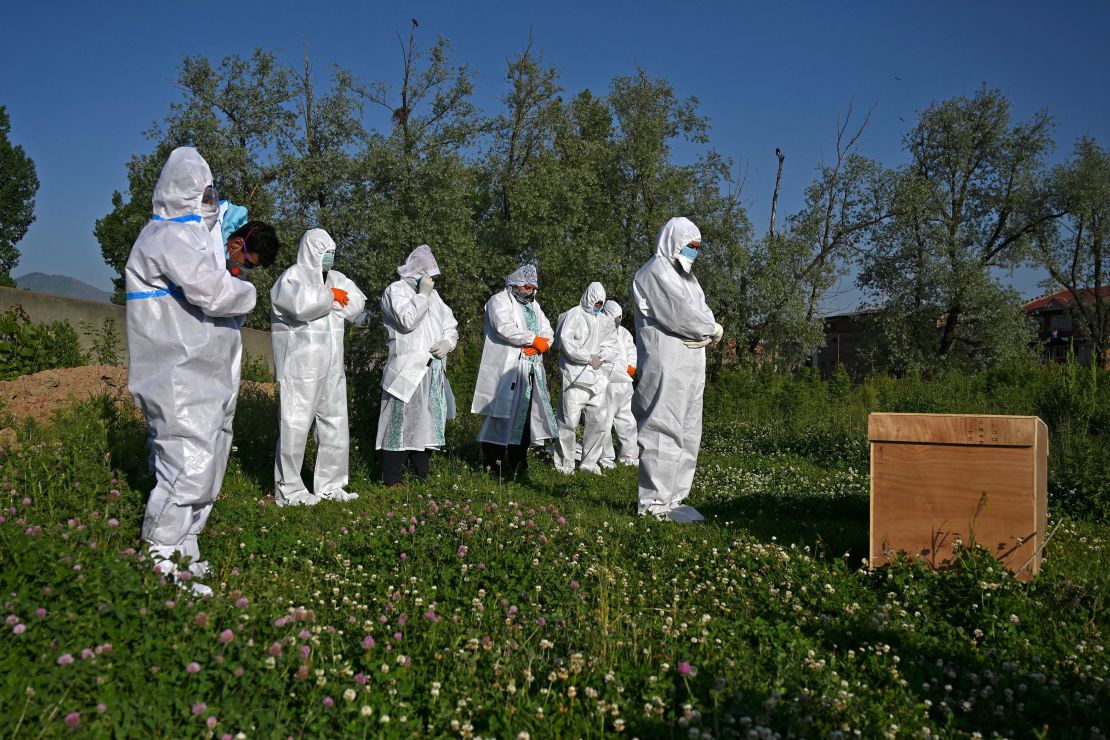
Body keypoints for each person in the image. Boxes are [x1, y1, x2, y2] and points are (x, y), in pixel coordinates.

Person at [126, 147, 263, 595]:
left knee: (210, 461)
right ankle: (159, 554)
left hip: (207, 374)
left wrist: (225, 261)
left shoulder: (195, 238)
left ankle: (187, 549)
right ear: (182, 190)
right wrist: (246, 292)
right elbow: (213, 293)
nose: (210, 200)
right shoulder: (166, 236)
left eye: (212, 192)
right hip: (177, 373)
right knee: (186, 464)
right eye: (203, 191)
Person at [631, 217, 723, 522]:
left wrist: (708, 326)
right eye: (689, 246)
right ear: (673, 242)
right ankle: (654, 503)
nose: (694, 252)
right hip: (666, 361)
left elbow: (702, 309)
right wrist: (709, 328)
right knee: (662, 428)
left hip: (691, 362)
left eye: (697, 247)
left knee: (687, 431)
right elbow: (681, 314)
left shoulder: (688, 279)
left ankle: (675, 499)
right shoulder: (654, 272)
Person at [271, 229, 366, 506]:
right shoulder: (292, 277)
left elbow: (357, 302)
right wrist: (330, 297)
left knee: (335, 425)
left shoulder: (336, 278)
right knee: (295, 425)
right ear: (311, 251)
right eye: (325, 252)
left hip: (334, 365)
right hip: (301, 368)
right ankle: (289, 491)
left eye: (333, 253)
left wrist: (330, 297)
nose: (329, 258)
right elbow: (300, 306)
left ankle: (331, 486)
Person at [375, 245, 459, 485]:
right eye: (427, 272)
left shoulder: (435, 296)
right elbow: (407, 321)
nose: (430, 278)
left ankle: (419, 478)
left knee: (427, 425)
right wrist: (421, 295)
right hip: (407, 369)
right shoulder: (396, 290)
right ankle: (393, 480)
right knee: (398, 424)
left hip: (432, 369)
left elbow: (450, 325)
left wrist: (447, 342)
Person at [472, 264, 557, 480]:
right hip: (507, 369)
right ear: (515, 284)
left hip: (530, 370)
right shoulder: (499, 301)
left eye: (533, 287)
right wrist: (531, 339)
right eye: (526, 286)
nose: (530, 291)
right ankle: (492, 466)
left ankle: (518, 463)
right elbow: (504, 327)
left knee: (525, 418)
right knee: (500, 416)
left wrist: (544, 343)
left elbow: (547, 329)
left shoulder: (535, 307)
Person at [554, 282, 618, 475]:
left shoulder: (605, 321)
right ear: (589, 298)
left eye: (601, 304)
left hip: (597, 378)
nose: (598, 307)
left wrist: (602, 357)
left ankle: (589, 463)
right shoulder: (572, 315)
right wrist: (588, 357)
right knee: (569, 421)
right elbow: (566, 343)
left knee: (598, 421)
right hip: (575, 377)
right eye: (596, 303)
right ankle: (565, 464)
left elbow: (612, 345)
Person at [599, 300, 639, 468]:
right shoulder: (598, 331)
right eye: (614, 318)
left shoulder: (624, 333)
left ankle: (629, 457)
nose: (617, 322)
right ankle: (605, 458)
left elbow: (632, 351)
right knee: (604, 421)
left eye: (619, 318)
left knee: (628, 420)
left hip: (625, 385)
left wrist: (632, 366)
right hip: (607, 383)